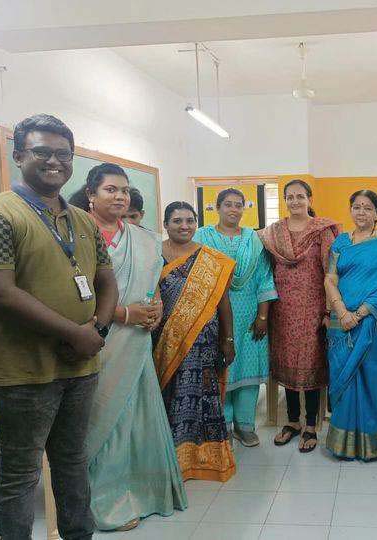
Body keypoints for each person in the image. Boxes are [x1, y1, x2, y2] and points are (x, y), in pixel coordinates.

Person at [0, 114, 118, 540]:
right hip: (21, 372)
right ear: (19, 156)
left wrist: (97, 332)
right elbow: (0, 292)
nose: (54, 161)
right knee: (21, 473)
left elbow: (107, 281)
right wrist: (75, 334)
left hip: (80, 367)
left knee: (73, 461)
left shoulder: (82, 219)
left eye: (63, 154)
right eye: (42, 152)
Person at [71, 163, 187, 531]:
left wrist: (155, 310)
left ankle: (145, 493)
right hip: (99, 342)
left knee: (138, 418)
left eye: (124, 190)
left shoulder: (144, 239)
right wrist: (124, 313)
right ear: (91, 194)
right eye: (110, 189)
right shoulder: (77, 236)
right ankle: (105, 502)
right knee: (107, 420)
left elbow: (152, 287)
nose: (120, 196)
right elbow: (71, 299)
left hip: (137, 343)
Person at [154, 201, 237, 479]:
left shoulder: (210, 259)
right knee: (166, 396)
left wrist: (228, 339)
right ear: (166, 224)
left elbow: (223, 301)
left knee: (202, 398)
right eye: (177, 221)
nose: (184, 226)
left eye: (190, 220)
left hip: (204, 343)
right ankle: (168, 461)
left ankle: (203, 459)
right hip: (162, 342)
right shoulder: (153, 255)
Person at [259, 179, 340, 453]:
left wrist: (328, 310)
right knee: (286, 362)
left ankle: (311, 425)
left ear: (309, 199)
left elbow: (331, 271)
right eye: (290, 197)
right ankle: (292, 421)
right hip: (282, 308)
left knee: (310, 362)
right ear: (285, 200)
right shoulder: (274, 232)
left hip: (313, 307)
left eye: (300, 196)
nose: (295, 201)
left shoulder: (322, 230)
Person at [194, 189, 278, 448]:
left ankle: (245, 426)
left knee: (248, 370)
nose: (233, 209)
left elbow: (264, 277)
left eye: (238, 205)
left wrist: (262, 316)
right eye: (228, 204)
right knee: (222, 368)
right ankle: (225, 425)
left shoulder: (254, 239)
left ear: (244, 209)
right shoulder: (202, 237)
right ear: (217, 207)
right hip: (213, 314)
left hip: (250, 313)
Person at [324, 190, 377, 461]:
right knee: (343, 379)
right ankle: (343, 444)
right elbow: (330, 279)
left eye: (368, 208)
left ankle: (376, 443)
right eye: (357, 207)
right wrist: (341, 311)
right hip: (341, 321)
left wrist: (358, 314)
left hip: (372, 321)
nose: (361, 212)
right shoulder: (341, 242)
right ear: (350, 210)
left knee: (374, 380)